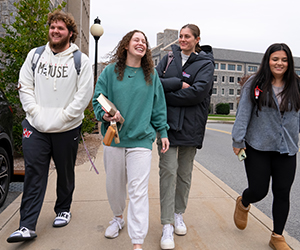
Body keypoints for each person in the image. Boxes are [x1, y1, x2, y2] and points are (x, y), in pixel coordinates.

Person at [7, 10, 93, 243]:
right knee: (34, 173)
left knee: (65, 172)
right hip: (36, 127)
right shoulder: (35, 56)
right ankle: (26, 226)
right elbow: (24, 86)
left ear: (70, 33)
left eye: (60, 28)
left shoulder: (81, 61)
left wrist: (64, 117)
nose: (55, 31)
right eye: (52, 27)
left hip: (67, 128)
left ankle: (63, 209)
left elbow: (83, 96)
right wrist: (34, 113)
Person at [92, 30, 169, 250]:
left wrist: (162, 132)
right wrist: (105, 114)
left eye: (144, 41)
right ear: (126, 45)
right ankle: (117, 218)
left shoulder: (151, 76)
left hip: (141, 140)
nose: (141, 43)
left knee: (138, 190)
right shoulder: (110, 72)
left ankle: (137, 241)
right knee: (114, 186)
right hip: (114, 138)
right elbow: (98, 99)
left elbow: (158, 108)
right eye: (137, 39)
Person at [232, 43, 300, 250]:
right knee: (259, 190)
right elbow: (243, 112)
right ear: (268, 60)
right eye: (275, 59)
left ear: (289, 63)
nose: (279, 63)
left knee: (282, 192)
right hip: (257, 147)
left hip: (286, 148)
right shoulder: (255, 83)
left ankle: (277, 236)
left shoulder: (297, 85)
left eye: (284, 59)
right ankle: (244, 202)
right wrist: (238, 140)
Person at [155, 24, 214, 249]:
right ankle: (167, 224)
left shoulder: (206, 63)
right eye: (180, 36)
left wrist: (167, 96)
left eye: (187, 36)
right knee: (167, 172)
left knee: (184, 174)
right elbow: (154, 83)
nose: (182, 40)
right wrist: (178, 84)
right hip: (167, 126)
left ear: (197, 39)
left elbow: (198, 93)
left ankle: (179, 213)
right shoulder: (169, 57)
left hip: (191, 126)